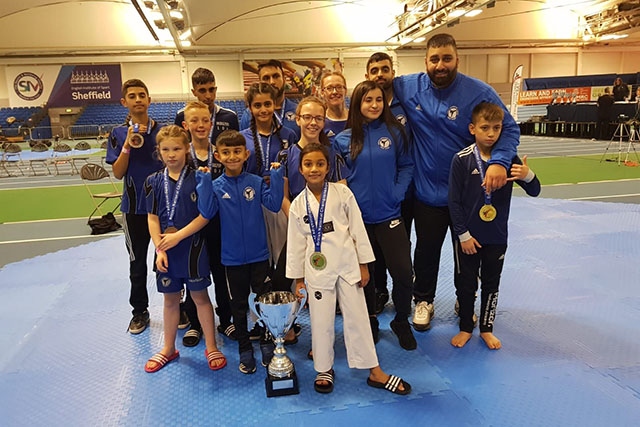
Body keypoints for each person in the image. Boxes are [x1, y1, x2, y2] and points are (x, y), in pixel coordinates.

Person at [393, 33, 519, 331]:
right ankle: (423, 300)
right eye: (434, 59)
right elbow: (375, 89)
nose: (440, 65)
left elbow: (510, 130)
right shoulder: (408, 86)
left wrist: (500, 161)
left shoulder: (479, 92)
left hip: (467, 195)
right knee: (426, 251)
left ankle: (466, 298)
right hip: (429, 193)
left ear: (457, 60)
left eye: (446, 58)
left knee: (468, 251)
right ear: (425, 61)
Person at [287, 143, 411, 395]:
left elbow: (358, 231)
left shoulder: (343, 195)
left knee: (359, 319)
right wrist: (299, 280)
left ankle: (374, 371)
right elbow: (296, 244)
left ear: (328, 167)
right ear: (300, 169)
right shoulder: (298, 204)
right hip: (317, 270)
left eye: (320, 164)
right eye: (308, 164)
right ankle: (324, 367)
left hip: (347, 265)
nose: (314, 169)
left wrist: (364, 265)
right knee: (320, 321)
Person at [448, 102, 540, 349]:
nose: (490, 133)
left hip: (497, 235)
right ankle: (466, 326)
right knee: (466, 283)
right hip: (468, 238)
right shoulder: (462, 160)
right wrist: (463, 235)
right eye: (485, 127)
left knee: (492, 283)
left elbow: (535, 190)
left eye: (496, 128)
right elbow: (453, 202)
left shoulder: (509, 159)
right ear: (472, 128)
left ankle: (487, 328)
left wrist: (527, 175)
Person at [334, 80, 415, 350]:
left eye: (378, 100)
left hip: (389, 213)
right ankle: (369, 319)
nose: (374, 105)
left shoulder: (395, 132)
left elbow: (406, 166)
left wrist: (397, 194)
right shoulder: (343, 139)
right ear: (357, 104)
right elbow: (338, 180)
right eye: (368, 100)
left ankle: (401, 320)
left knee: (403, 272)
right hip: (358, 221)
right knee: (364, 276)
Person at [143, 125, 226, 373]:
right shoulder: (153, 181)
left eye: (177, 148)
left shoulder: (200, 178)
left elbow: (205, 215)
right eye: (166, 149)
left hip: (193, 248)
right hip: (166, 251)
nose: (171, 154)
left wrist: (178, 236)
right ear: (158, 151)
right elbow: (152, 218)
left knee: (200, 298)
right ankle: (168, 348)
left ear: (187, 148)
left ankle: (211, 346)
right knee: (170, 300)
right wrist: (160, 248)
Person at [210, 129, 285, 374]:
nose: (232, 156)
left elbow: (274, 205)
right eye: (226, 152)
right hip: (231, 259)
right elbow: (206, 212)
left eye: (236, 152)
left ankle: (266, 341)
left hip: (259, 255)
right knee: (238, 305)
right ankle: (244, 347)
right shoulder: (215, 186)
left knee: (263, 302)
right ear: (217, 155)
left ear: (246, 153)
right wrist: (202, 184)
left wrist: (276, 177)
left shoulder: (254, 182)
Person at [106, 79, 164, 334]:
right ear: (124, 102)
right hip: (133, 208)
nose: (138, 99)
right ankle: (139, 311)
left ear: (149, 100)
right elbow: (118, 172)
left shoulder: (163, 132)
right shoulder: (118, 134)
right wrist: (128, 144)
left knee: (170, 258)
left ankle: (180, 305)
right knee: (137, 262)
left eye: (142, 94)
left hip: (163, 208)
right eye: (132, 95)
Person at [180, 101, 236, 346]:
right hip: (192, 225)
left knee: (222, 275)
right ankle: (195, 324)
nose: (200, 125)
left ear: (212, 123)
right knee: (194, 274)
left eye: (205, 120)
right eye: (194, 121)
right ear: (185, 125)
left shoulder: (222, 153)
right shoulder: (181, 155)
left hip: (220, 225)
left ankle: (226, 319)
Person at [365, 51, 414, 315]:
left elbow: (407, 162)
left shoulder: (403, 109)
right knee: (372, 259)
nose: (380, 74)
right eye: (375, 70)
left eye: (385, 69)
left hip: (397, 199)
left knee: (401, 258)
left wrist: (397, 192)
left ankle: (404, 311)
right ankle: (378, 295)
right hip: (366, 209)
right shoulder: (352, 133)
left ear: (392, 73)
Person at [241, 82, 297, 301]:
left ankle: (288, 310)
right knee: (259, 262)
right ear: (250, 108)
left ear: (275, 104)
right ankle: (261, 312)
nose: (263, 109)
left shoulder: (289, 135)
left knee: (285, 257)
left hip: (281, 202)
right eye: (257, 105)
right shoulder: (242, 137)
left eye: (267, 104)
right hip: (253, 206)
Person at [175, 67, 239, 143]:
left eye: (211, 90)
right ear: (194, 92)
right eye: (202, 91)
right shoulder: (182, 116)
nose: (208, 96)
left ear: (216, 89)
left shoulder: (230, 117)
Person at [240, 59, 300, 139]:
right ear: (260, 82)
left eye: (276, 76)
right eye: (266, 78)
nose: (272, 82)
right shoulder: (249, 115)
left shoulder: (298, 111)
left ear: (284, 79)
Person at [320, 72, 349, 143]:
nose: (335, 92)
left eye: (339, 87)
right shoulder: (320, 123)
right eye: (329, 88)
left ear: (345, 90)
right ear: (322, 93)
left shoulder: (357, 119)